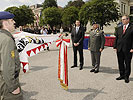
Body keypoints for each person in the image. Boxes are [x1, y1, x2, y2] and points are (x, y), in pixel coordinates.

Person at [0, 11, 23, 100]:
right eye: (12, 20)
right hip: (7, 86)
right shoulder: (7, 40)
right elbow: (7, 67)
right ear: (5, 23)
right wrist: (13, 87)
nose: (14, 22)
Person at [114, 15, 133, 83]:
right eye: (122, 19)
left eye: (124, 19)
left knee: (127, 63)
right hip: (119, 49)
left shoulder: (131, 28)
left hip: (128, 49)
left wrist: (132, 48)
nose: (122, 21)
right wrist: (115, 47)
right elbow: (116, 38)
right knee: (120, 62)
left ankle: (126, 76)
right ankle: (121, 75)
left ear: (128, 20)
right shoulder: (119, 28)